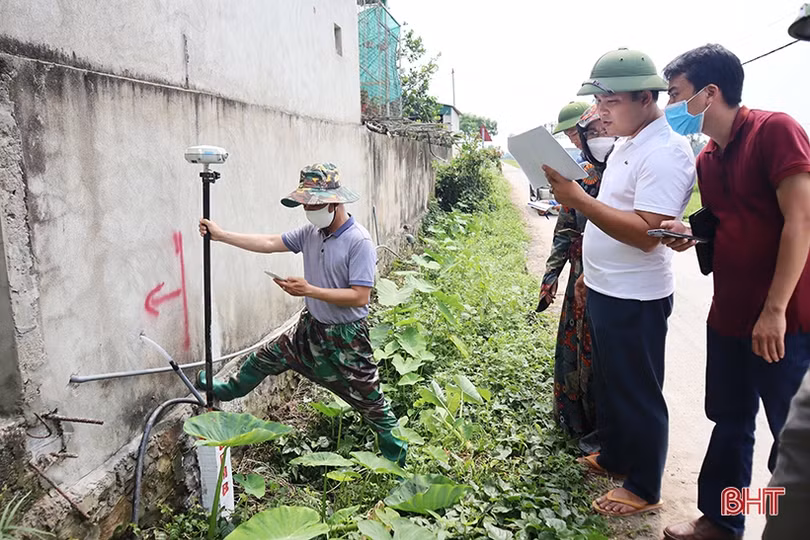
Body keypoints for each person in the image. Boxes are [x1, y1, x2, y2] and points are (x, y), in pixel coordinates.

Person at [656, 44, 810, 540]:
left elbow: (800, 222)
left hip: (785, 323)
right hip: (728, 317)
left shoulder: (775, 131)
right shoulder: (708, 157)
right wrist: (692, 236)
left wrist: (775, 311)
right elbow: (728, 223)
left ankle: (789, 525)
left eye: (676, 95)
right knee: (729, 422)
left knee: (791, 440)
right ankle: (724, 519)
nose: (670, 107)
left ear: (710, 93)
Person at [543, 48, 696, 517]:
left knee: (637, 391)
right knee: (611, 384)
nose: (600, 113)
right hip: (608, 287)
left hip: (636, 296)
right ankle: (615, 456)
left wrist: (576, 200)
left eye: (610, 102)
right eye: (599, 102)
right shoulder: (630, 143)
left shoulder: (666, 151)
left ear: (646, 97)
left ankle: (645, 485)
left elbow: (647, 233)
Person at [195, 163, 408, 465]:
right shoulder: (311, 233)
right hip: (311, 330)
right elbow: (270, 242)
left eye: (315, 204)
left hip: (347, 338)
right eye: (306, 204)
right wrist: (221, 235)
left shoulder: (358, 241)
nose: (309, 210)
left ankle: (397, 458)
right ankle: (228, 390)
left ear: (335, 202)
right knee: (265, 357)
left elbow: (360, 296)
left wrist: (310, 290)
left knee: (371, 401)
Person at [538, 104, 614, 456]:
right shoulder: (579, 174)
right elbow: (565, 227)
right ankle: (576, 422)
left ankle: (607, 432)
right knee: (575, 345)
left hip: (616, 272)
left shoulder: (624, 167)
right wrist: (551, 276)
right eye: (570, 135)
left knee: (604, 354)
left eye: (580, 132)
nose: (580, 139)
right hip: (582, 269)